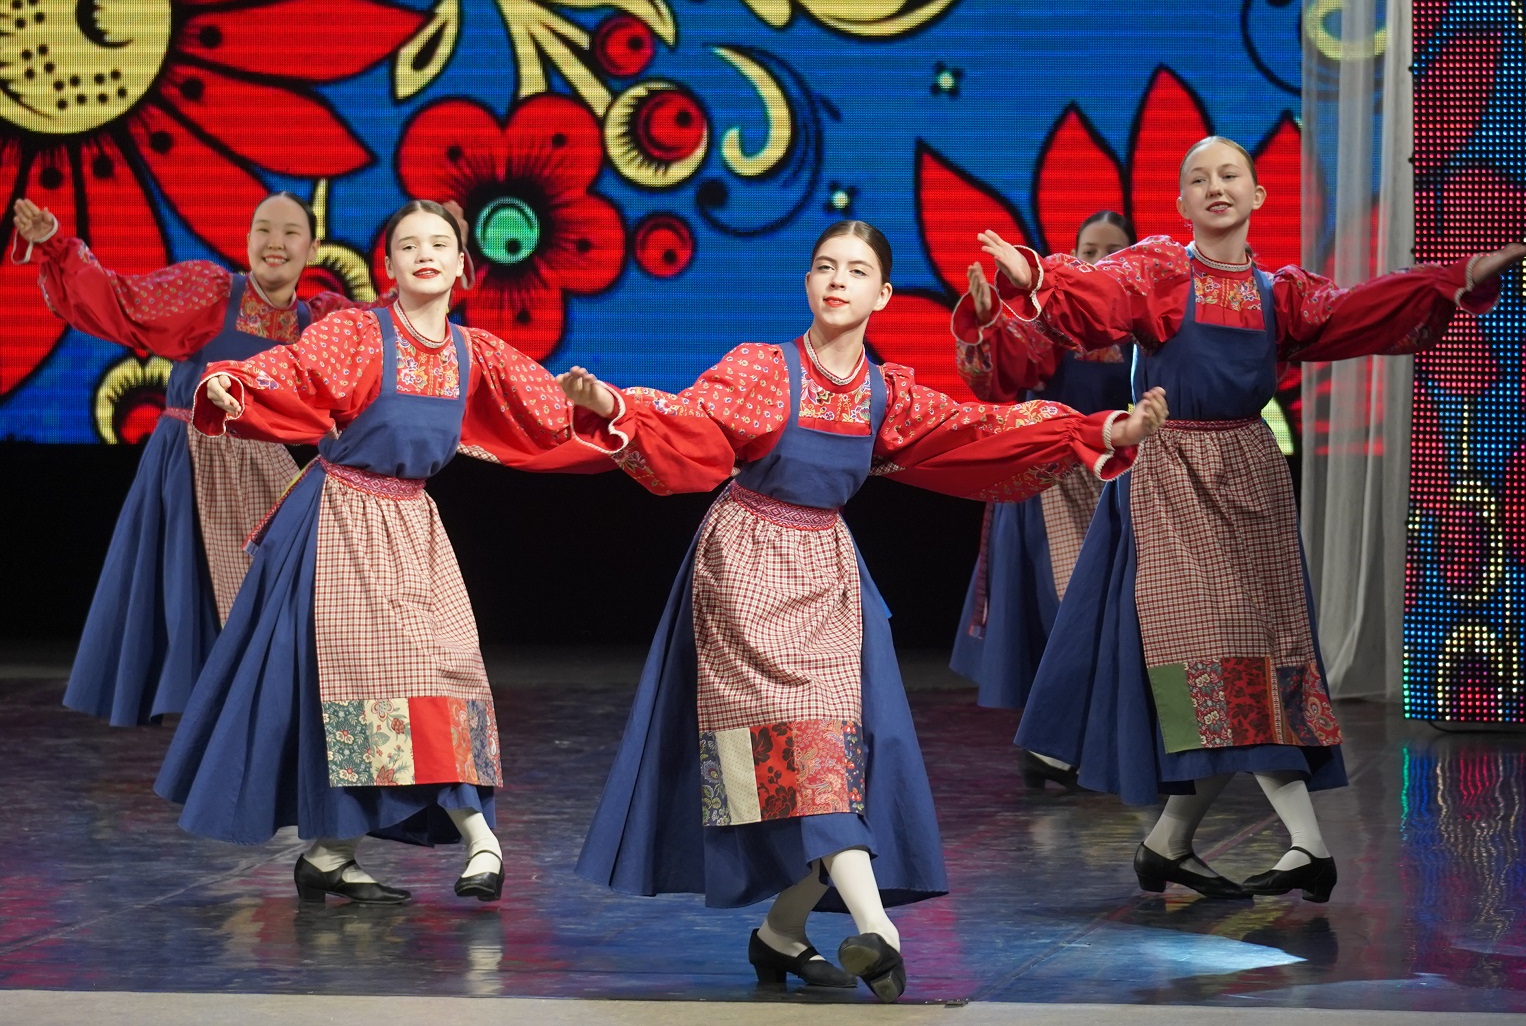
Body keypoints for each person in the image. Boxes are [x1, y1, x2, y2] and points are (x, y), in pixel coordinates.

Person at [561, 220, 1167, 1000]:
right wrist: (614, 406)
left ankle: (781, 934)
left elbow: (976, 430)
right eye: (824, 266)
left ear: (882, 295)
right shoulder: (763, 370)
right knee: (808, 760)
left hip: (830, 577)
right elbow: (692, 423)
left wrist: (1100, 429)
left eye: (855, 270)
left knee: (845, 765)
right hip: (746, 572)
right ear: (808, 283)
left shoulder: (885, 393)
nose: (836, 280)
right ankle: (878, 932)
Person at [959, 136, 1526, 903]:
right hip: (1172, 475)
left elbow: (1359, 309)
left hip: (1252, 476)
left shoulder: (1281, 294)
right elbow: (1101, 293)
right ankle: (1307, 844)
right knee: (1216, 653)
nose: (1215, 186)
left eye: (1229, 174)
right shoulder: (1159, 272)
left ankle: (1169, 844)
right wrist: (1039, 274)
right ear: (1181, 202)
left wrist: (1457, 277)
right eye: (1198, 177)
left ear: (1258, 194)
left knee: (1259, 659)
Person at [154, 200, 604, 905]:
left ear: (463, 264)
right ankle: (481, 839)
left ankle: (330, 853)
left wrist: (598, 405)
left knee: (442, 674)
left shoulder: (473, 352)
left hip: (414, 527)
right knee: (370, 688)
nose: (425, 254)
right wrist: (235, 383)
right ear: (388, 265)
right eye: (408, 245)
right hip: (342, 521)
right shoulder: (358, 334)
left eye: (439, 244)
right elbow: (293, 369)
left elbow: (545, 411)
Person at [12, 193, 375, 727]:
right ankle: (215, 728)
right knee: (190, 600)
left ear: (313, 248)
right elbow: (119, 301)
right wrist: (55, 245)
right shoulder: (209, 294)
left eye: (290, 232)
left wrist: (436, 259)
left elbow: (383, 333)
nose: (275, 243)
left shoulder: (318, 321)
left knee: (284, 598)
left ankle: (265, 723)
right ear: (247, 239)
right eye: (263, 229)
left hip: (266, 472)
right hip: (190, 464)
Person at [950, 211, 1135, 791]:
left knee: (1119, 612)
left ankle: (1085, 742)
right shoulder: (1046, 315)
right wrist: (987, 324)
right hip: (1054, 480)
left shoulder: (1141, 321)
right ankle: (1054, 744)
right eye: (1088, 250)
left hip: (1120, 478)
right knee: (1068, 611)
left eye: (1112, 251)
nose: (1098, 261)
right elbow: (1000, 380)